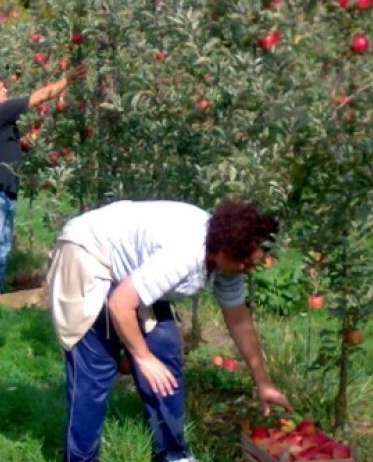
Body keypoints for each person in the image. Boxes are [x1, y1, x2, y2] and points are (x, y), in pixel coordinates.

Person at [46, 198, 294, 462]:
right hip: (88, 253)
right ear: (224, 251)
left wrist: (262, 380)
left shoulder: (227, 260)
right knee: (96, 370)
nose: (248, 270)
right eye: (245, 263)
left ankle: (173, 455)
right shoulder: (184, 255)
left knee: (164, 354)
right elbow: (120, 304)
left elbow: (239, 320)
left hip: (131, 269)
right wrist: (142, 358)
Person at [0, 64, 89, 294]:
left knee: (2, 245)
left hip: (5, 189)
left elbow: (11, 147)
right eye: (2, 88)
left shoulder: (1, 121)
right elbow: (40, 96)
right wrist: (66, 80)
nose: (6, 92)